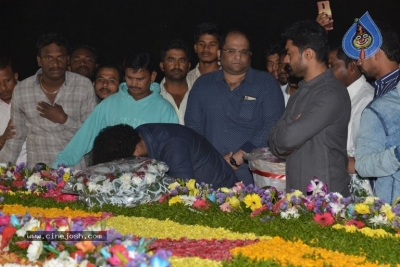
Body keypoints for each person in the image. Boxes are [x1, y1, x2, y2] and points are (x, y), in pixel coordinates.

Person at [185, 29, 285, 185]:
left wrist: (238, 157)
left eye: (243, 52)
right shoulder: (202, 85)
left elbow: (272, 125)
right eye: (231, 51)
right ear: (219, 54)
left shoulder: (265, 84)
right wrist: (215, 160)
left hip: (252, 176)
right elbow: (193, 126)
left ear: (250, 55)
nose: (238, 56)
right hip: (210, 174)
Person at [53, 51, 178, 169]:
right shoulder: (109, 104)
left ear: (153, 76)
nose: (134, 83)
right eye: (129, 77)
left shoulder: (165, 109)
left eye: (140, 79)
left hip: (148, 181)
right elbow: (82, 140)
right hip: (109, 179)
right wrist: (56, 169)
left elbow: (172, 152)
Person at [268, 20, 351, 195]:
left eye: (289, 53)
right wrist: (289, 131)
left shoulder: (331, 93)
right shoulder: (300, 91)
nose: (286, 60)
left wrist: (288, 133)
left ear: (308, 54)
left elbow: (287, 138)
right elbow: (275, 143)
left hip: (326, 202)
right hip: (299, 197)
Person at [0, 33, 97, 168]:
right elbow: (16, 136)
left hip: (74, 171)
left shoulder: (83, 86)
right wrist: (3, 170)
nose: (55, 63)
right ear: (39, 60)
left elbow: (91, 133)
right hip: (38, 174)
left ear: (67, 59)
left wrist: (64, 119)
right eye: (48, 58)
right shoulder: (22, 90)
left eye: (60, 57)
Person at [343, 14, 400, 203]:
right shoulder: (381, 88)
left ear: (377, 52)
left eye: (361, 55)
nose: (358, 62)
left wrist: (360, 164)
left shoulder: (391, 95)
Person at [92, 123, 239, 189]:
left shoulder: (172, 145)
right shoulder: (139, 135)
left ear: (134, 152)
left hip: (224, 198)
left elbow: (182, 189)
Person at [328, 43, 374, 196]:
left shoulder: (366, 99)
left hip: (359, 183)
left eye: (332, 66)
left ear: (352, 66)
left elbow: (360, 153)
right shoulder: (342, 96)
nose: (328, 73)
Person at [0, 57, 26, 164]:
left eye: (7, 81)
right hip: (5, 173)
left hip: (39, 168)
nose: (3, 88)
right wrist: (2, 139)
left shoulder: (31, 95)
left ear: (15, 76)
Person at [159, 39, 192, 124]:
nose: (176, 65)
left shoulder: (199, 93)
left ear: (188, 66)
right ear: (162, 66)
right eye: (171, 60)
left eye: (182, 60)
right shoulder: (154, 96)